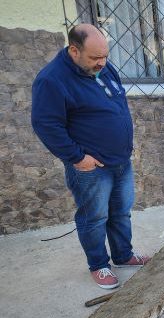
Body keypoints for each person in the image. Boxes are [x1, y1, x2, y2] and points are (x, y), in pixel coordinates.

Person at [31, 24, 150, 290]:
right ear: (74, 50)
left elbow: (116, 101)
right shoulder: (51, 80)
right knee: (94, 217)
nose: (102, 63)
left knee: (121, 213)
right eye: (95, 58)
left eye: (105, 56)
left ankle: (123, 255)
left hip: (120, 160)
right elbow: (46, 124)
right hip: (91, 167)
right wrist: (76, 157)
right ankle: (99, 265)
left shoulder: (103, 68)